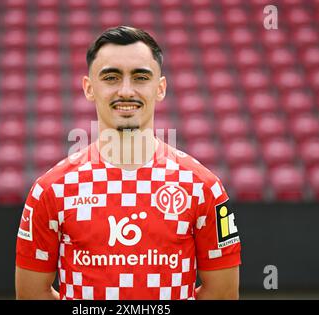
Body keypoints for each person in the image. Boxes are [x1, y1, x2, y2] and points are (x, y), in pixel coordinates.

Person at [15, 26, 241, 300]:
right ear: (89, 88)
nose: (125, 90)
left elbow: (222, 294)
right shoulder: (50, 190)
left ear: (160, 88)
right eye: (111, 77)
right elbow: (31, 294)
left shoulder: (205, 188)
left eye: (140, 77)